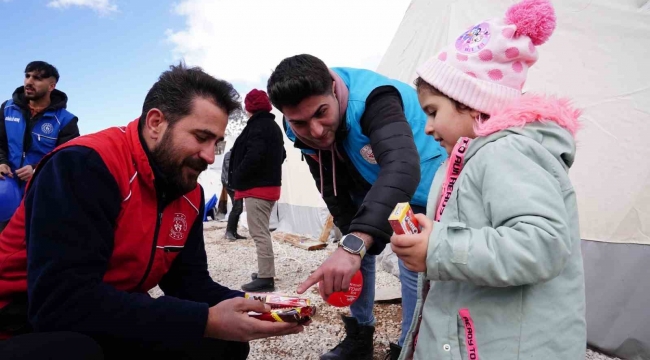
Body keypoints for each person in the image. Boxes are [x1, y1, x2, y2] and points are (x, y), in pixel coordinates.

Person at [0, 64, 305, 360]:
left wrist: (254, 306)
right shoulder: (86, 165)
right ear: (156, 123)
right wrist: (205, 321)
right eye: (201, 137)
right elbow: (60, 304)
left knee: (224, 345)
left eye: (217, 142)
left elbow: (188, 283)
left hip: (95, 313)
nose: (210, 156)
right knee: (74, 350)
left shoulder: (189, 191)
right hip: (20, 320)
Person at [390, 1, 587, 359]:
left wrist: (440, 248)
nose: (429, 127)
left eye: (433, 111)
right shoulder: (468, 159)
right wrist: (434, 234)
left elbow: (542, 243)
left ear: (474, 102)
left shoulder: (506, 153)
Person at [267, 54, 446, 360]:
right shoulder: (293, 126)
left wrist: (353, 245)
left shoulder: (376, 99)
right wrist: (351, 237)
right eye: (300, 122)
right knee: (353, 246)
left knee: (410, 260)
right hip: (367, 179)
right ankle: (360, 334)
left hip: (422, 184)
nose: (317, 130)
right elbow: (326, 178)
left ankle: (409, 345)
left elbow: (402, 167)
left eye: (321, 113)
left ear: (335, 91)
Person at [0, 61, 79, 232]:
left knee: (30, 250)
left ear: (52, 86)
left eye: (37, 78)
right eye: (27, 75)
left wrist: (36, 170)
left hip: (40, 197)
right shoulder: (7, 108)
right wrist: (1, 161)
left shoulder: (66, 120)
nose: (29, 82)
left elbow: (68, 159)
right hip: (5, 193)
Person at [228, 89, 285, 292]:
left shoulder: (258, 127)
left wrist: (238, 176)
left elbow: (254, 155)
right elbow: (282, 154)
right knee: (261, 230)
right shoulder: (272, 126)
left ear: (249, 107)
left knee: (259, 232)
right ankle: (264, 270)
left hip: (258, 188)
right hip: (267, 186)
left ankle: (266, 278)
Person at [221, 149, 245, 240]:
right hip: (231, 185)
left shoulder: (234, 154)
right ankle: (229, 232)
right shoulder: (229, 155)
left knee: (238, 208)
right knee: (237, 207)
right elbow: (231, 168)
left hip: (234, 185)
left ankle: (233, 232)